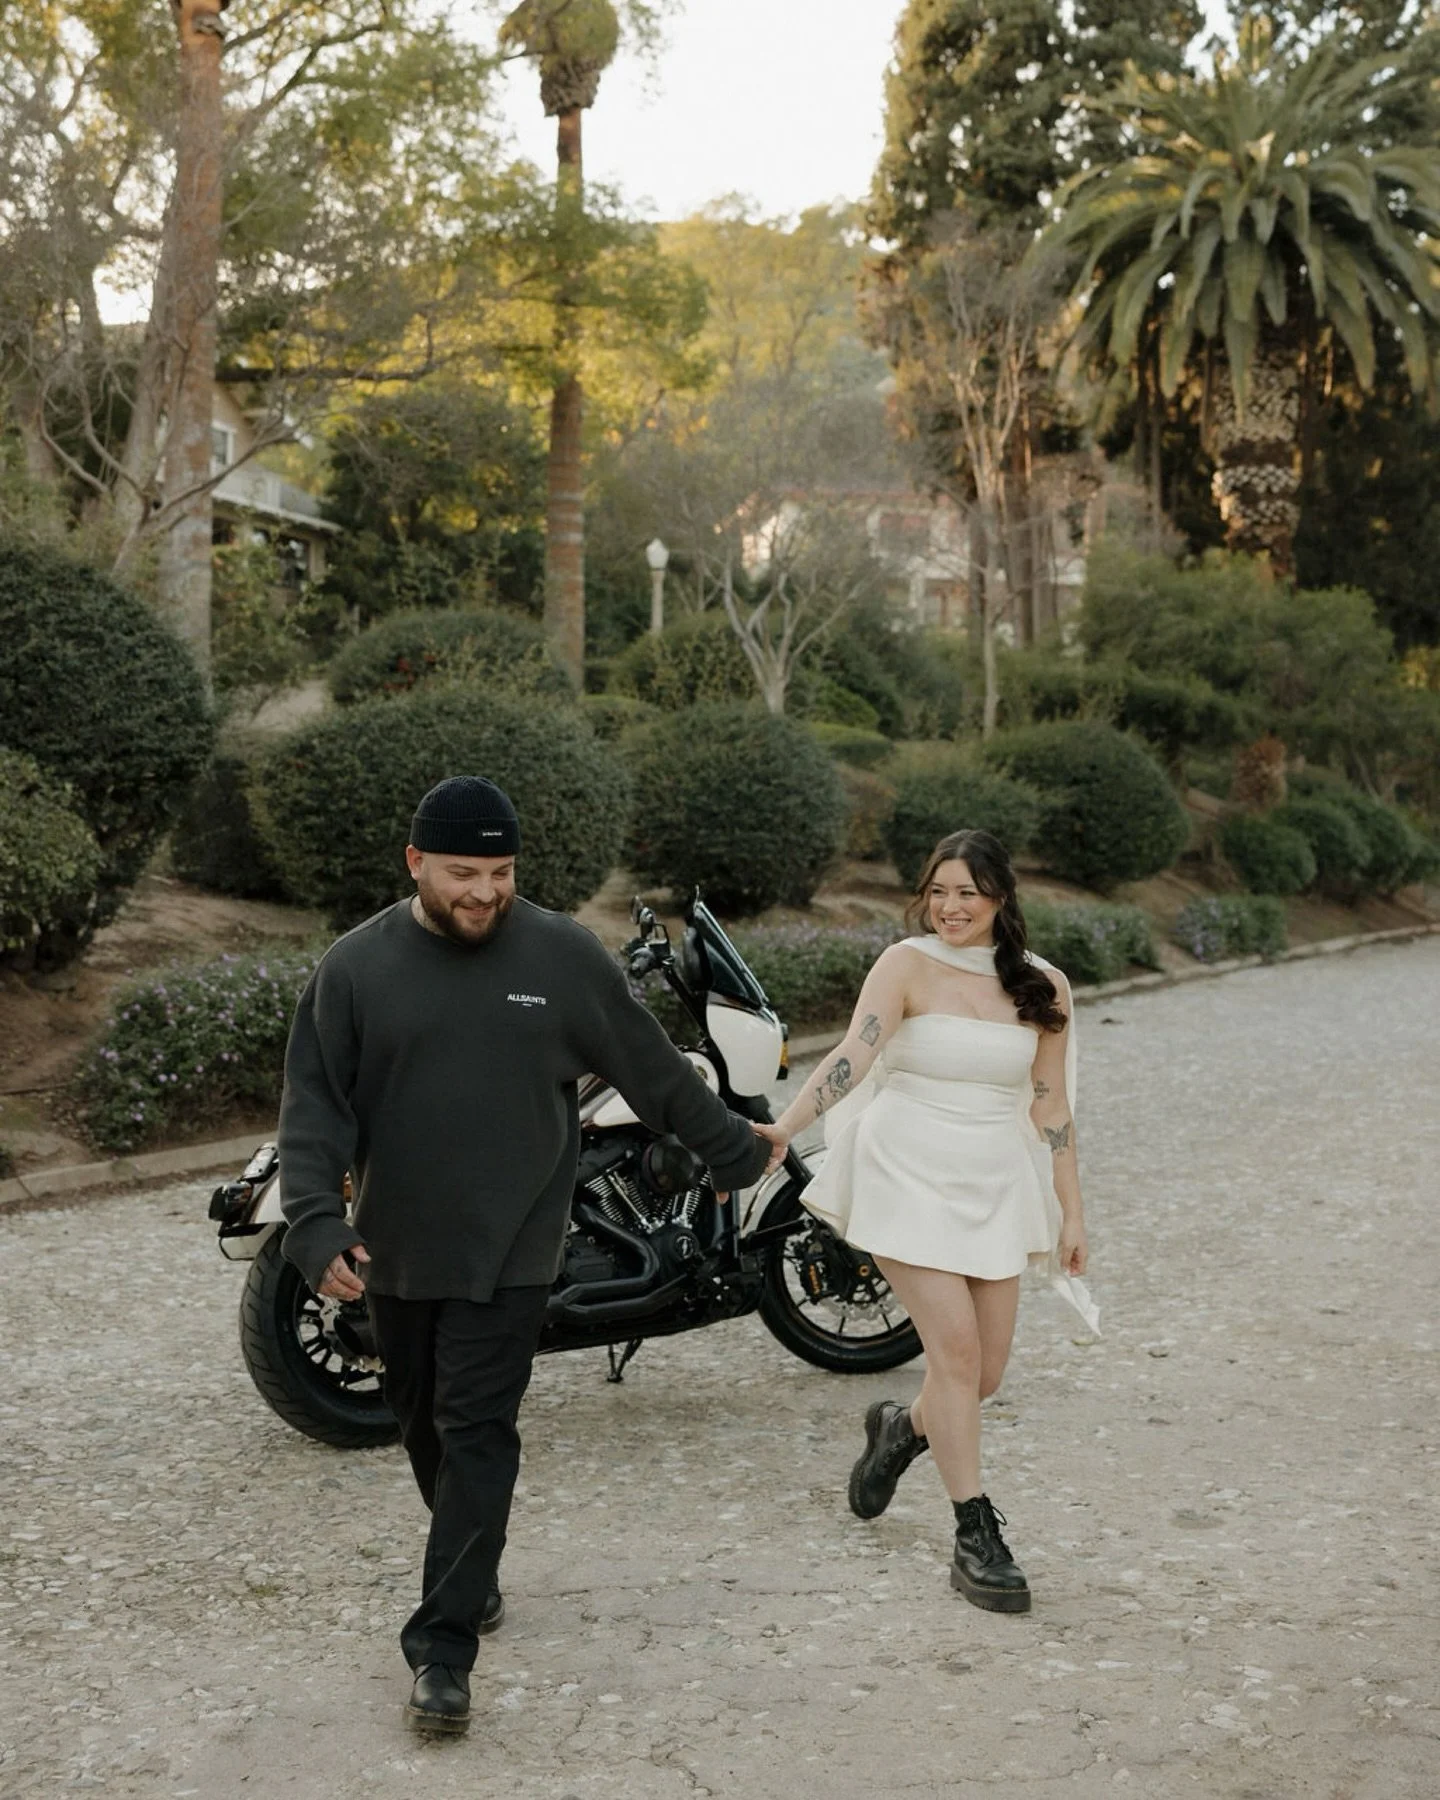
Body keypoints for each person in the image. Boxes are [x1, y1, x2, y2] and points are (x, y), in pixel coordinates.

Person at [277, 775, 786, 1732]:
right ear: (416, 863)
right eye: (463, 872)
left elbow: (652, 1066)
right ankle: (472, 1562)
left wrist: (734, 1147)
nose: (483, 892)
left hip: (517, 1243)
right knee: (419, 1417)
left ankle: (442, 1649)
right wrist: (313, 1223)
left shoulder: (560, 956)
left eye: (501, 872)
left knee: (476, 1427)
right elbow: (315, 1109)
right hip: (402, 1244)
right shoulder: (354, 971)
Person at [772, 828, 1091, 1614]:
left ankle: (901, 1430)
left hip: (993, 1176)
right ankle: (975, 1535)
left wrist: (1072, 1207)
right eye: (939, 891)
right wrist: (786, 1127)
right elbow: (854, 1052)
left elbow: (1049, 1101)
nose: (951, 907)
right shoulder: (905, 964)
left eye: (969, 894)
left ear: (1001, 899)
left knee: (983, 1376)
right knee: (952, 1352)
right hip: (905, 1169)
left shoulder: (1042, 987)